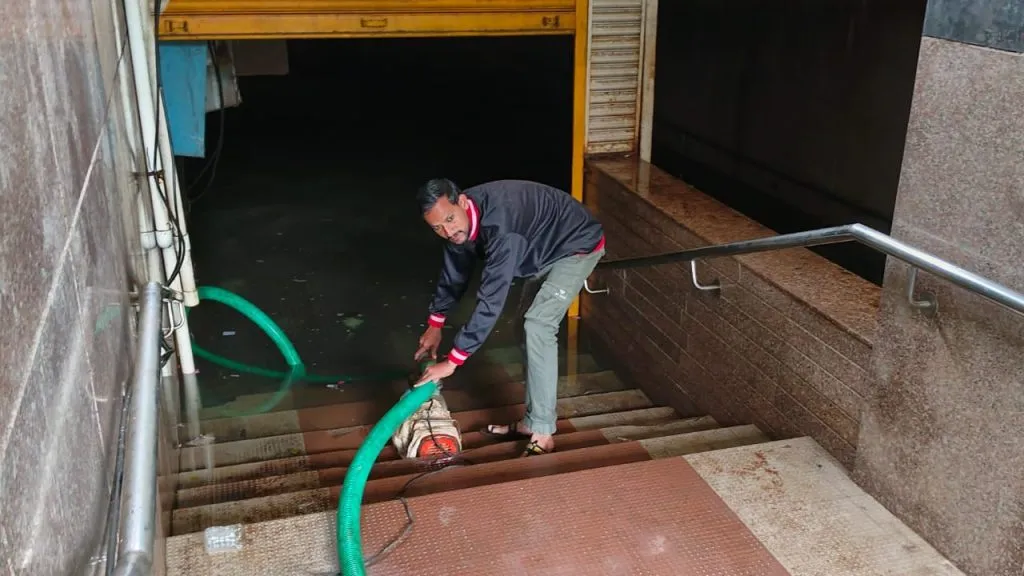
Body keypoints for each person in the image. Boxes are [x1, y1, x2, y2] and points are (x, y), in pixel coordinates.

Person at [413, 178, 605, 456]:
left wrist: (452, 362)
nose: (447, 230)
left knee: (538, 324)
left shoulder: (502, 229)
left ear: (463, 202)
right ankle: (532, 420)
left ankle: (543, 431)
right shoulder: (456, 227)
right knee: (522, 326)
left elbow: (491, 299)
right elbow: (454, 273)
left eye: (450, 220)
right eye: (437, 228)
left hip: (575, 245)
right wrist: (435, 323)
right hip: (541, 247)